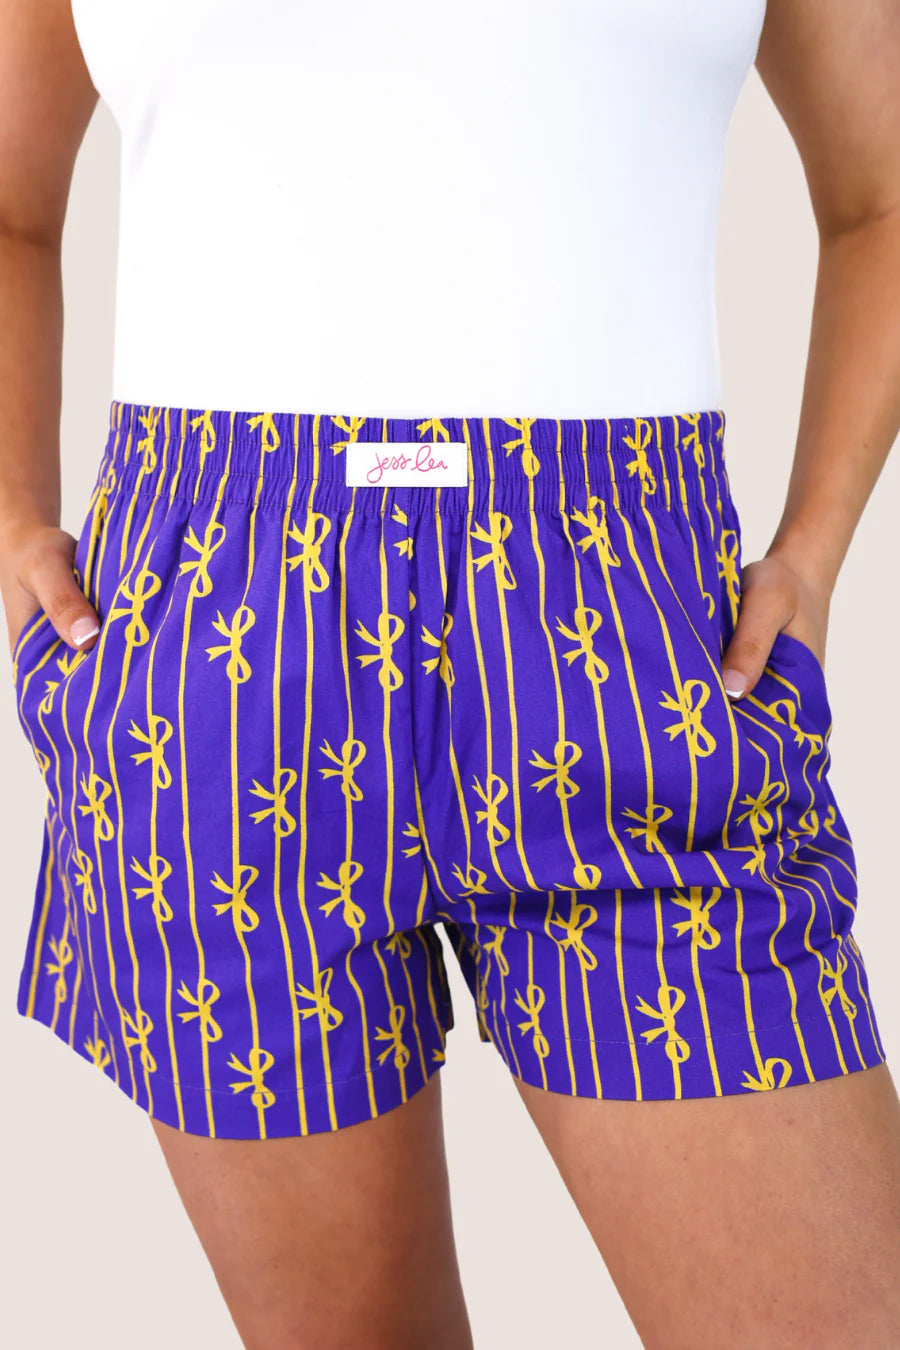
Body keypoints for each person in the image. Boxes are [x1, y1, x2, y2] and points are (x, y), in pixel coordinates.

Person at [2, 1, 899, 1345]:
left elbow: (882, 191)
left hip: (634, 648)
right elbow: (11, 205)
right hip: (223, 672)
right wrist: (17, 517)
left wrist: (815, 555)